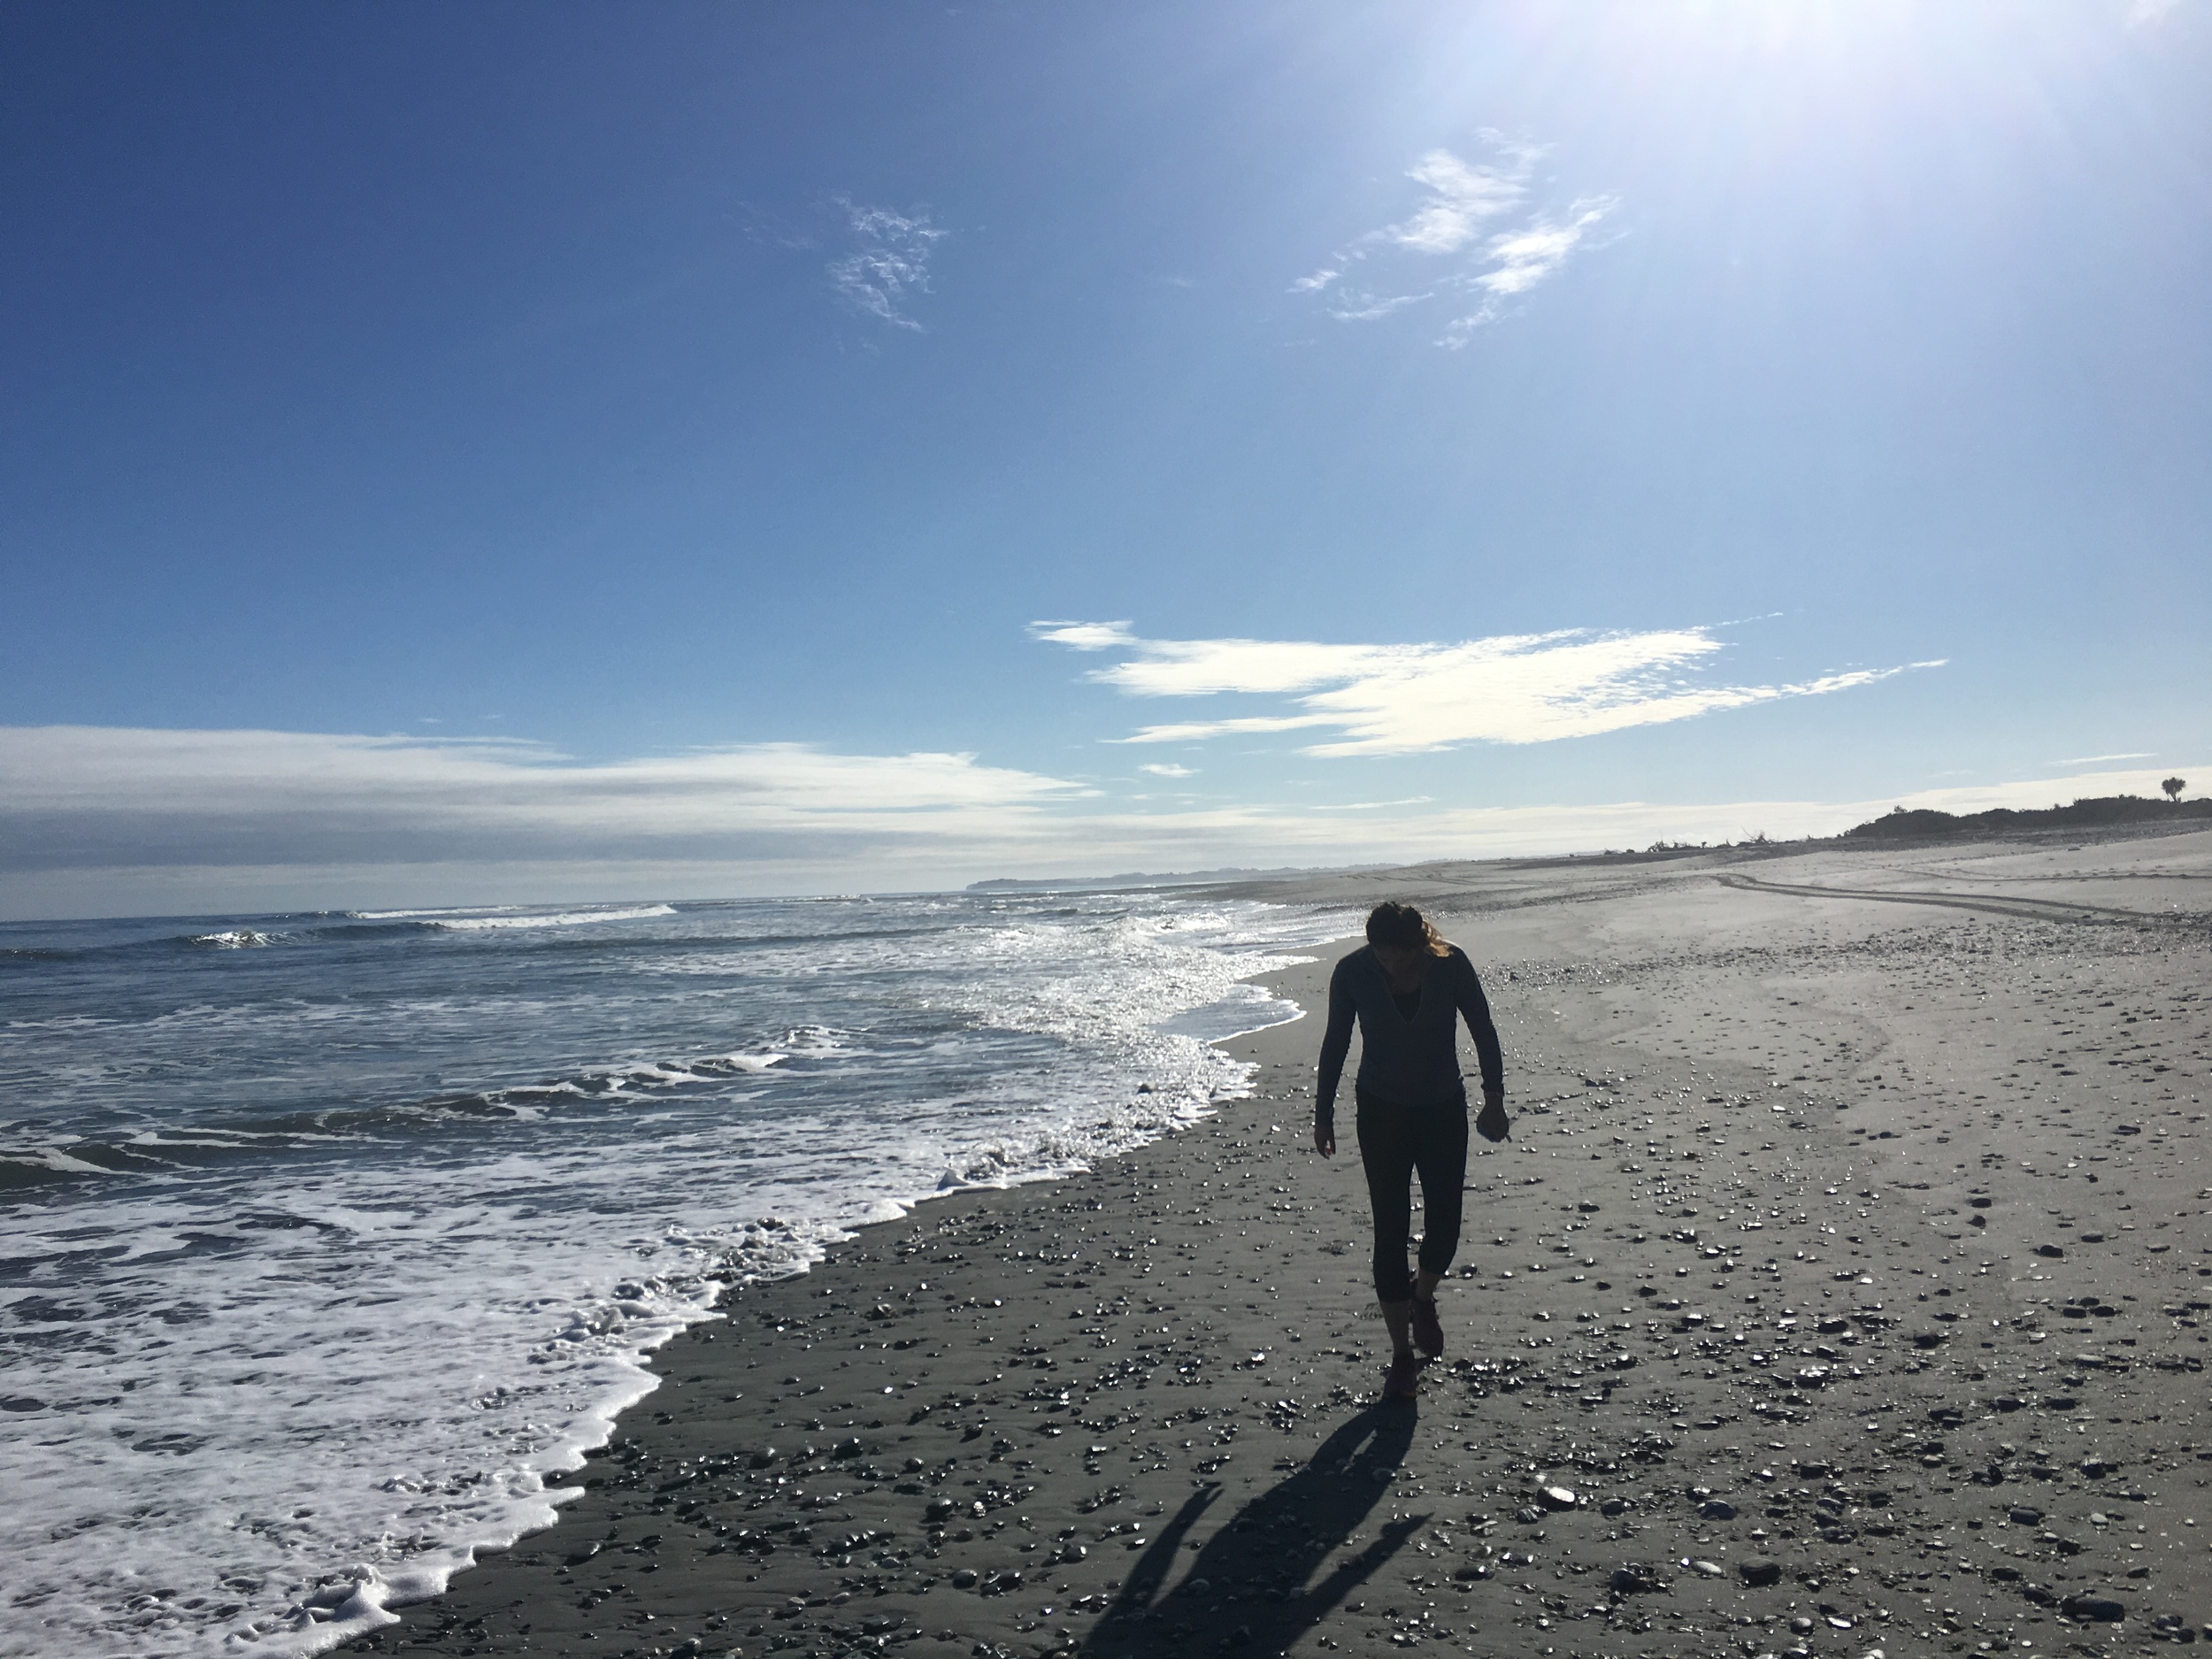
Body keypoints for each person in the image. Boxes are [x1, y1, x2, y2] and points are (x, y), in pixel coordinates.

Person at [1314, 901, 1508, 1401]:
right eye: (1382, 957)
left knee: (1446, 1221)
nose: (1391, 966)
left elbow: (1482, 1028)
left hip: (1442, 1105)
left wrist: (1494, 1099)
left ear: (1419, 944)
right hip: (1381, 1111)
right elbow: (1335, 1042)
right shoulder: (1353, 972)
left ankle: (1423, 1295)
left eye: (1399, 958)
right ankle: (1401, 1352)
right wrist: (1322, 1114)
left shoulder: (1450, 964)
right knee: (1390, 1225)